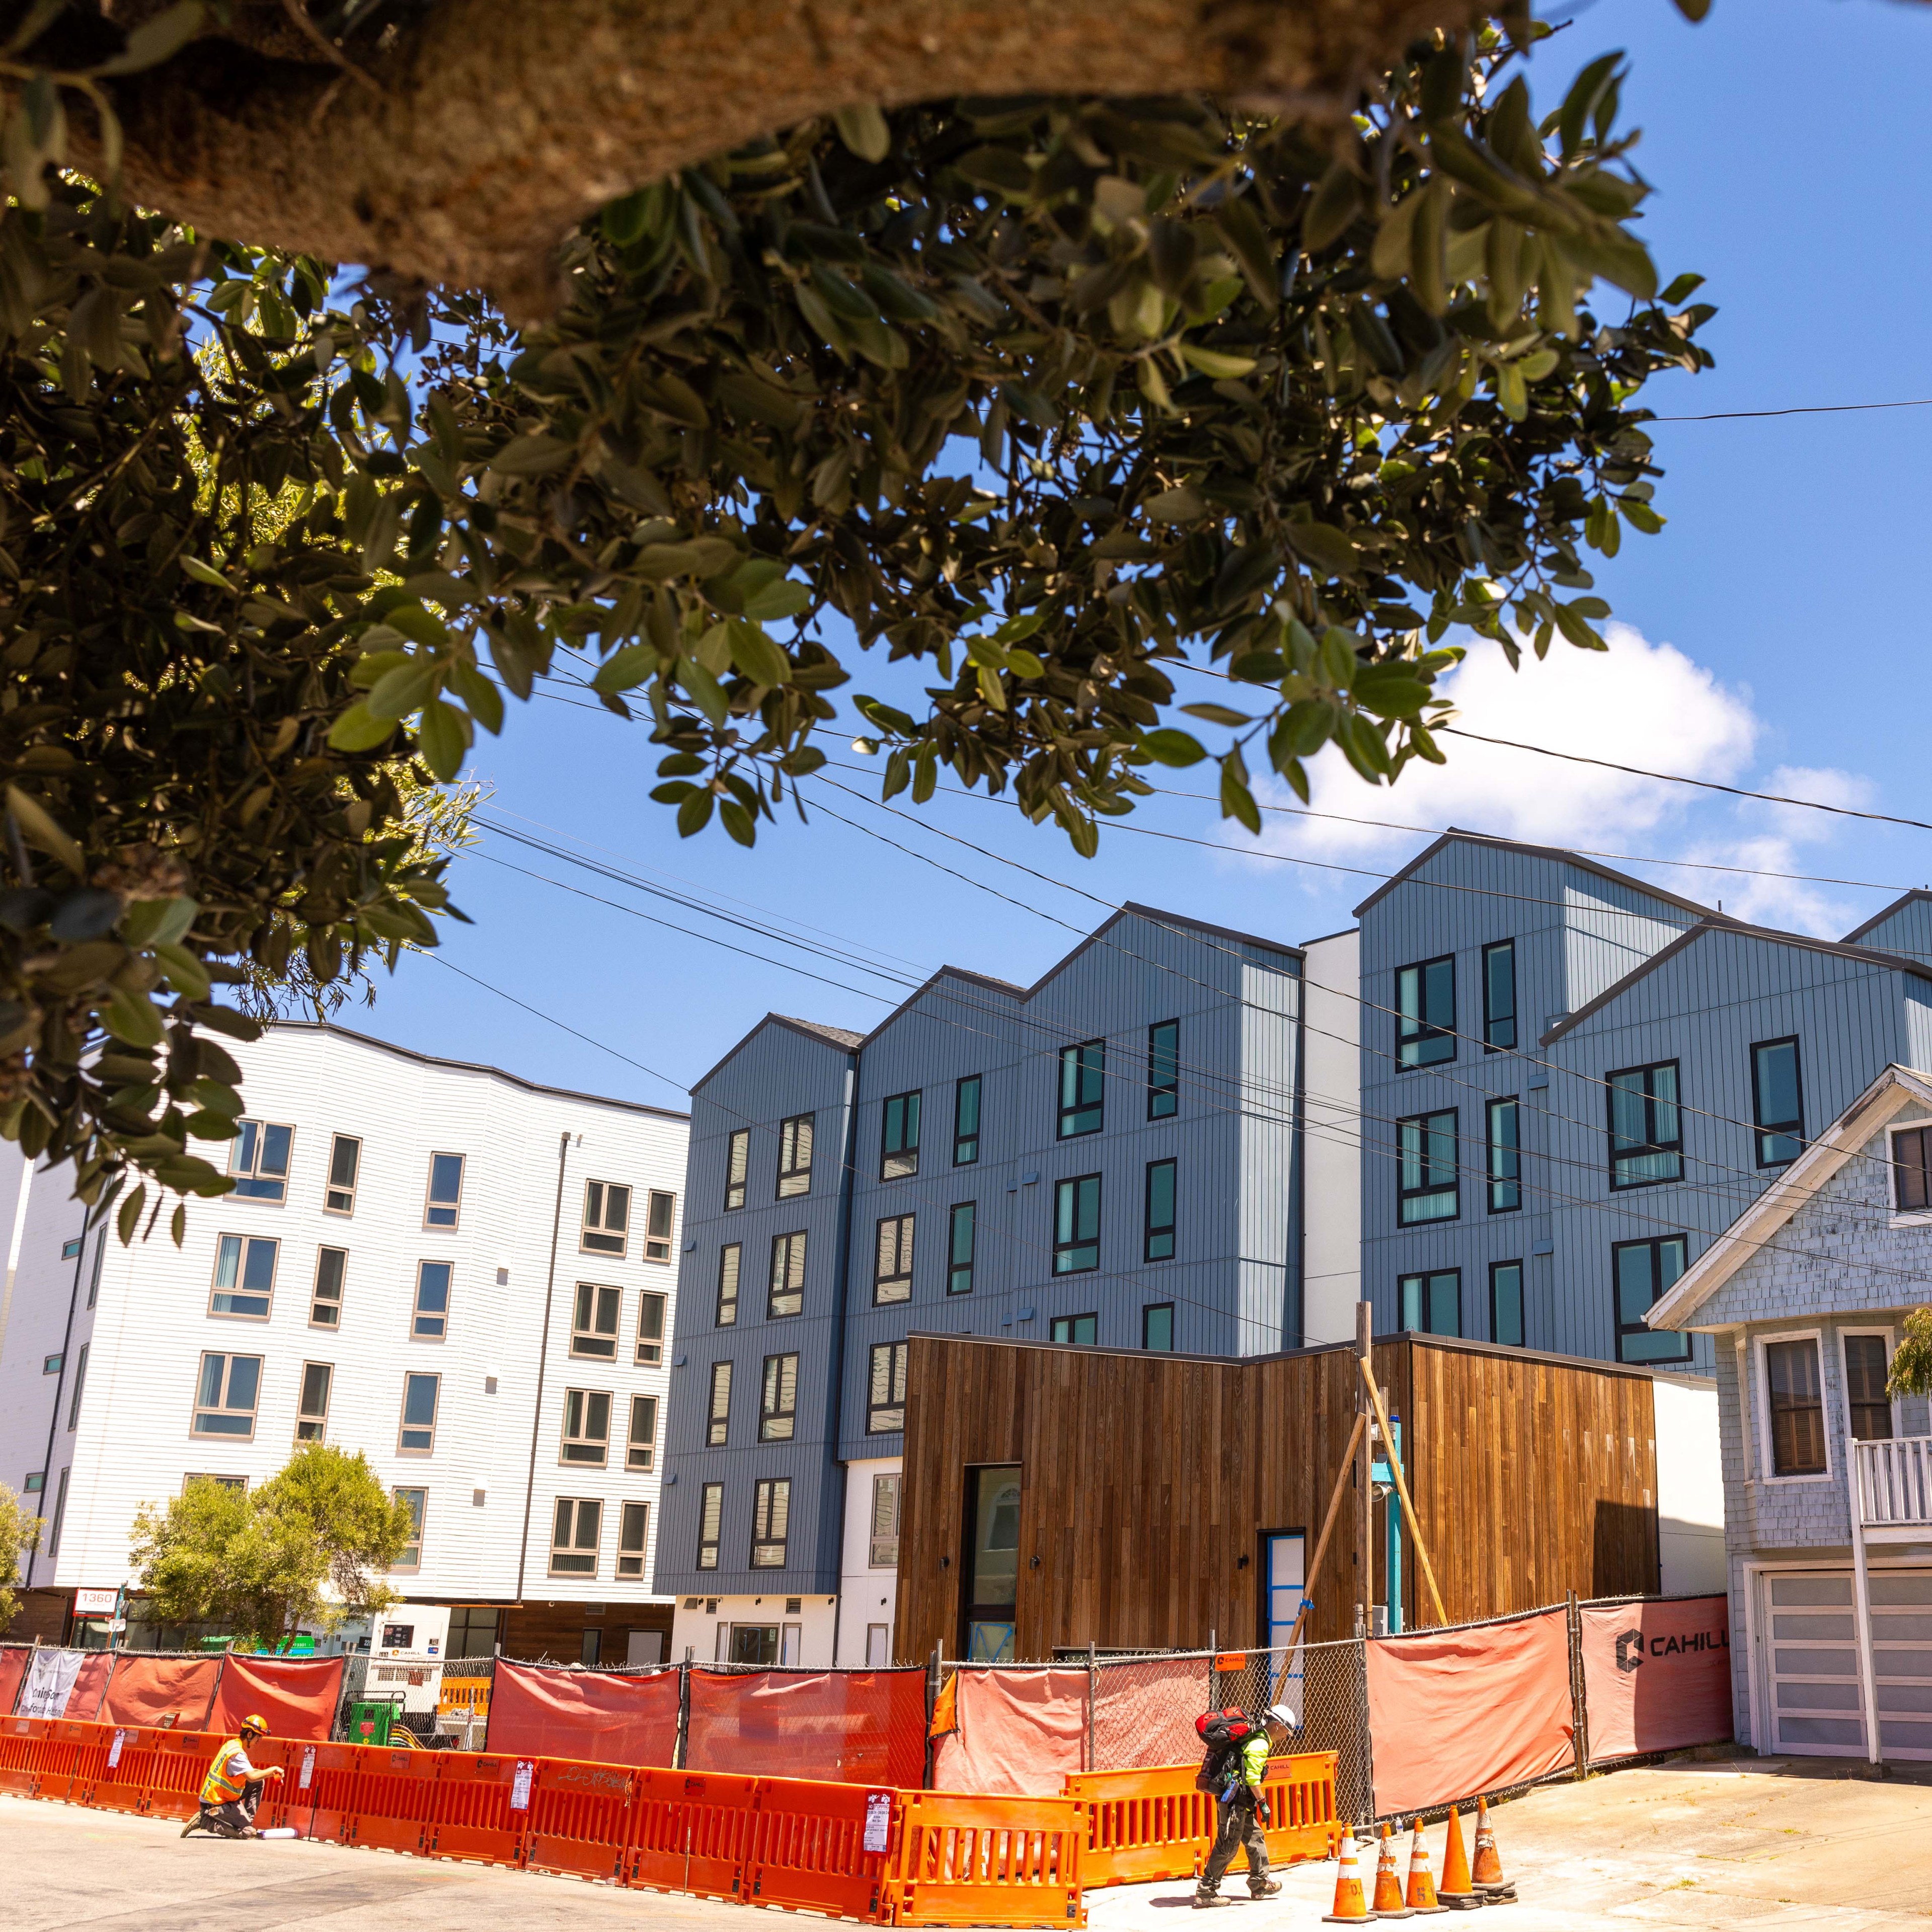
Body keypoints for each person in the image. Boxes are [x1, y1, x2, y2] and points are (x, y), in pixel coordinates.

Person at [1193, 1703, 1294, 1908]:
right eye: (1285, 1731)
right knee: (1228, 1846)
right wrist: (1263, 1803)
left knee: (1255, 1838)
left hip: (1240, 1801)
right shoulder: (1260, 1743)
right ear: (1276, 1726)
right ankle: (1206, 1890)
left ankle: (1259, 1883)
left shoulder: (1256, 1738)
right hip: (1235, 1802)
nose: (1285, 1736)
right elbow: (1252, 1777)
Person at [182, 1713, 283, 1839]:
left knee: (259, 1782)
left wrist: (268, 1773)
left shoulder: (232, 1744)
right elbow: (251, 1776)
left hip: (225, 1798)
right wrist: (272, 1770)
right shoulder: (237, 1754)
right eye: (259, 1738)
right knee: (248, 1833)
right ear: (250, 1735)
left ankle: (247, 1823)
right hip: (216, 1804)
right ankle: (206, 1820)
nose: (259, 1742)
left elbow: (250, 1774)